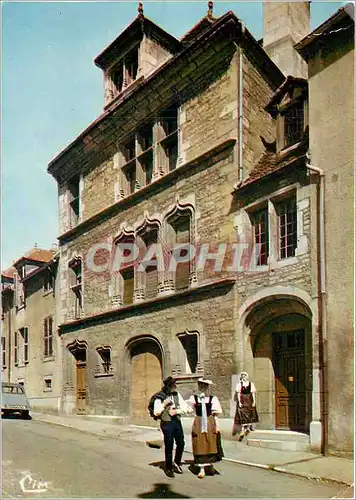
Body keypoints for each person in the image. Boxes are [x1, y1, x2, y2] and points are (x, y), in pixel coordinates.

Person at [153, 376, 191, 478]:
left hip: (176, 421)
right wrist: (164, 405)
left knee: (181, 443)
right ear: (169, 386)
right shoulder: (160, 397)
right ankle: (168, 467)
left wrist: (177, 411)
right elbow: (156, 413)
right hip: (166, 423)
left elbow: (186, 408)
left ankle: (176, 463)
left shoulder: (176, 395)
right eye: (174, 385)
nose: (175, 386)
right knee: (169, 445)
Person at [187, 377, 224, 479]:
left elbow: (216, 414)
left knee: (210, 443)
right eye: (200, 385)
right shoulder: (194, 398)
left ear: (207, 387)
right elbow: (189, 409)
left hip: (210, 422)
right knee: (200, 444)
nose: (202, 387)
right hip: (199, 422)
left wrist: (217, 426)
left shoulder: (213, 399)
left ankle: (210, 466)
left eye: (204, 385)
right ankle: (202, 469)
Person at [233, 371, 258, 441]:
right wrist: (239, 402)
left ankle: (248, 428)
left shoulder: (251, 384)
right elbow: (238, 393)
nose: (244, 377)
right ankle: (243, 429)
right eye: (242, 376)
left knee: (250, 413)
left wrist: (254, 402)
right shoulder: (239, 384)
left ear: (247, 377)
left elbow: (253, 393)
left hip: (249, 400)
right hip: (243, 400)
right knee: (242, 414)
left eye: (245, 376)